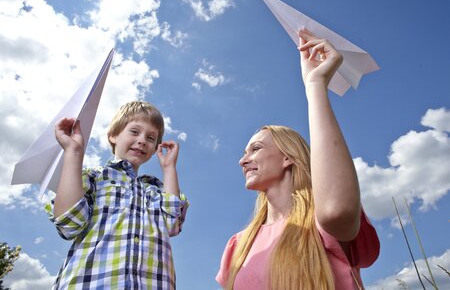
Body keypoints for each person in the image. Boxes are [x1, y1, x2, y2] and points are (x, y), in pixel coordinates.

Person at [216, 28, 380, 290]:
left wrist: (315, 85)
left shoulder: (319, 220)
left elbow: (337, 210)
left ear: (288, 158)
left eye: (255, 149)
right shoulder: (237, 246)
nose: (242, 161)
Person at [45, 101, 188, 289]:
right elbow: (69, 223)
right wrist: (73, 151)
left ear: (155, 150)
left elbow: (172, 224)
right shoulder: (95, 178)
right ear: (114, 135)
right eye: (135, 132)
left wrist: (169, 168)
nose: (142, 140)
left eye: (151, 138)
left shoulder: (155, 191)